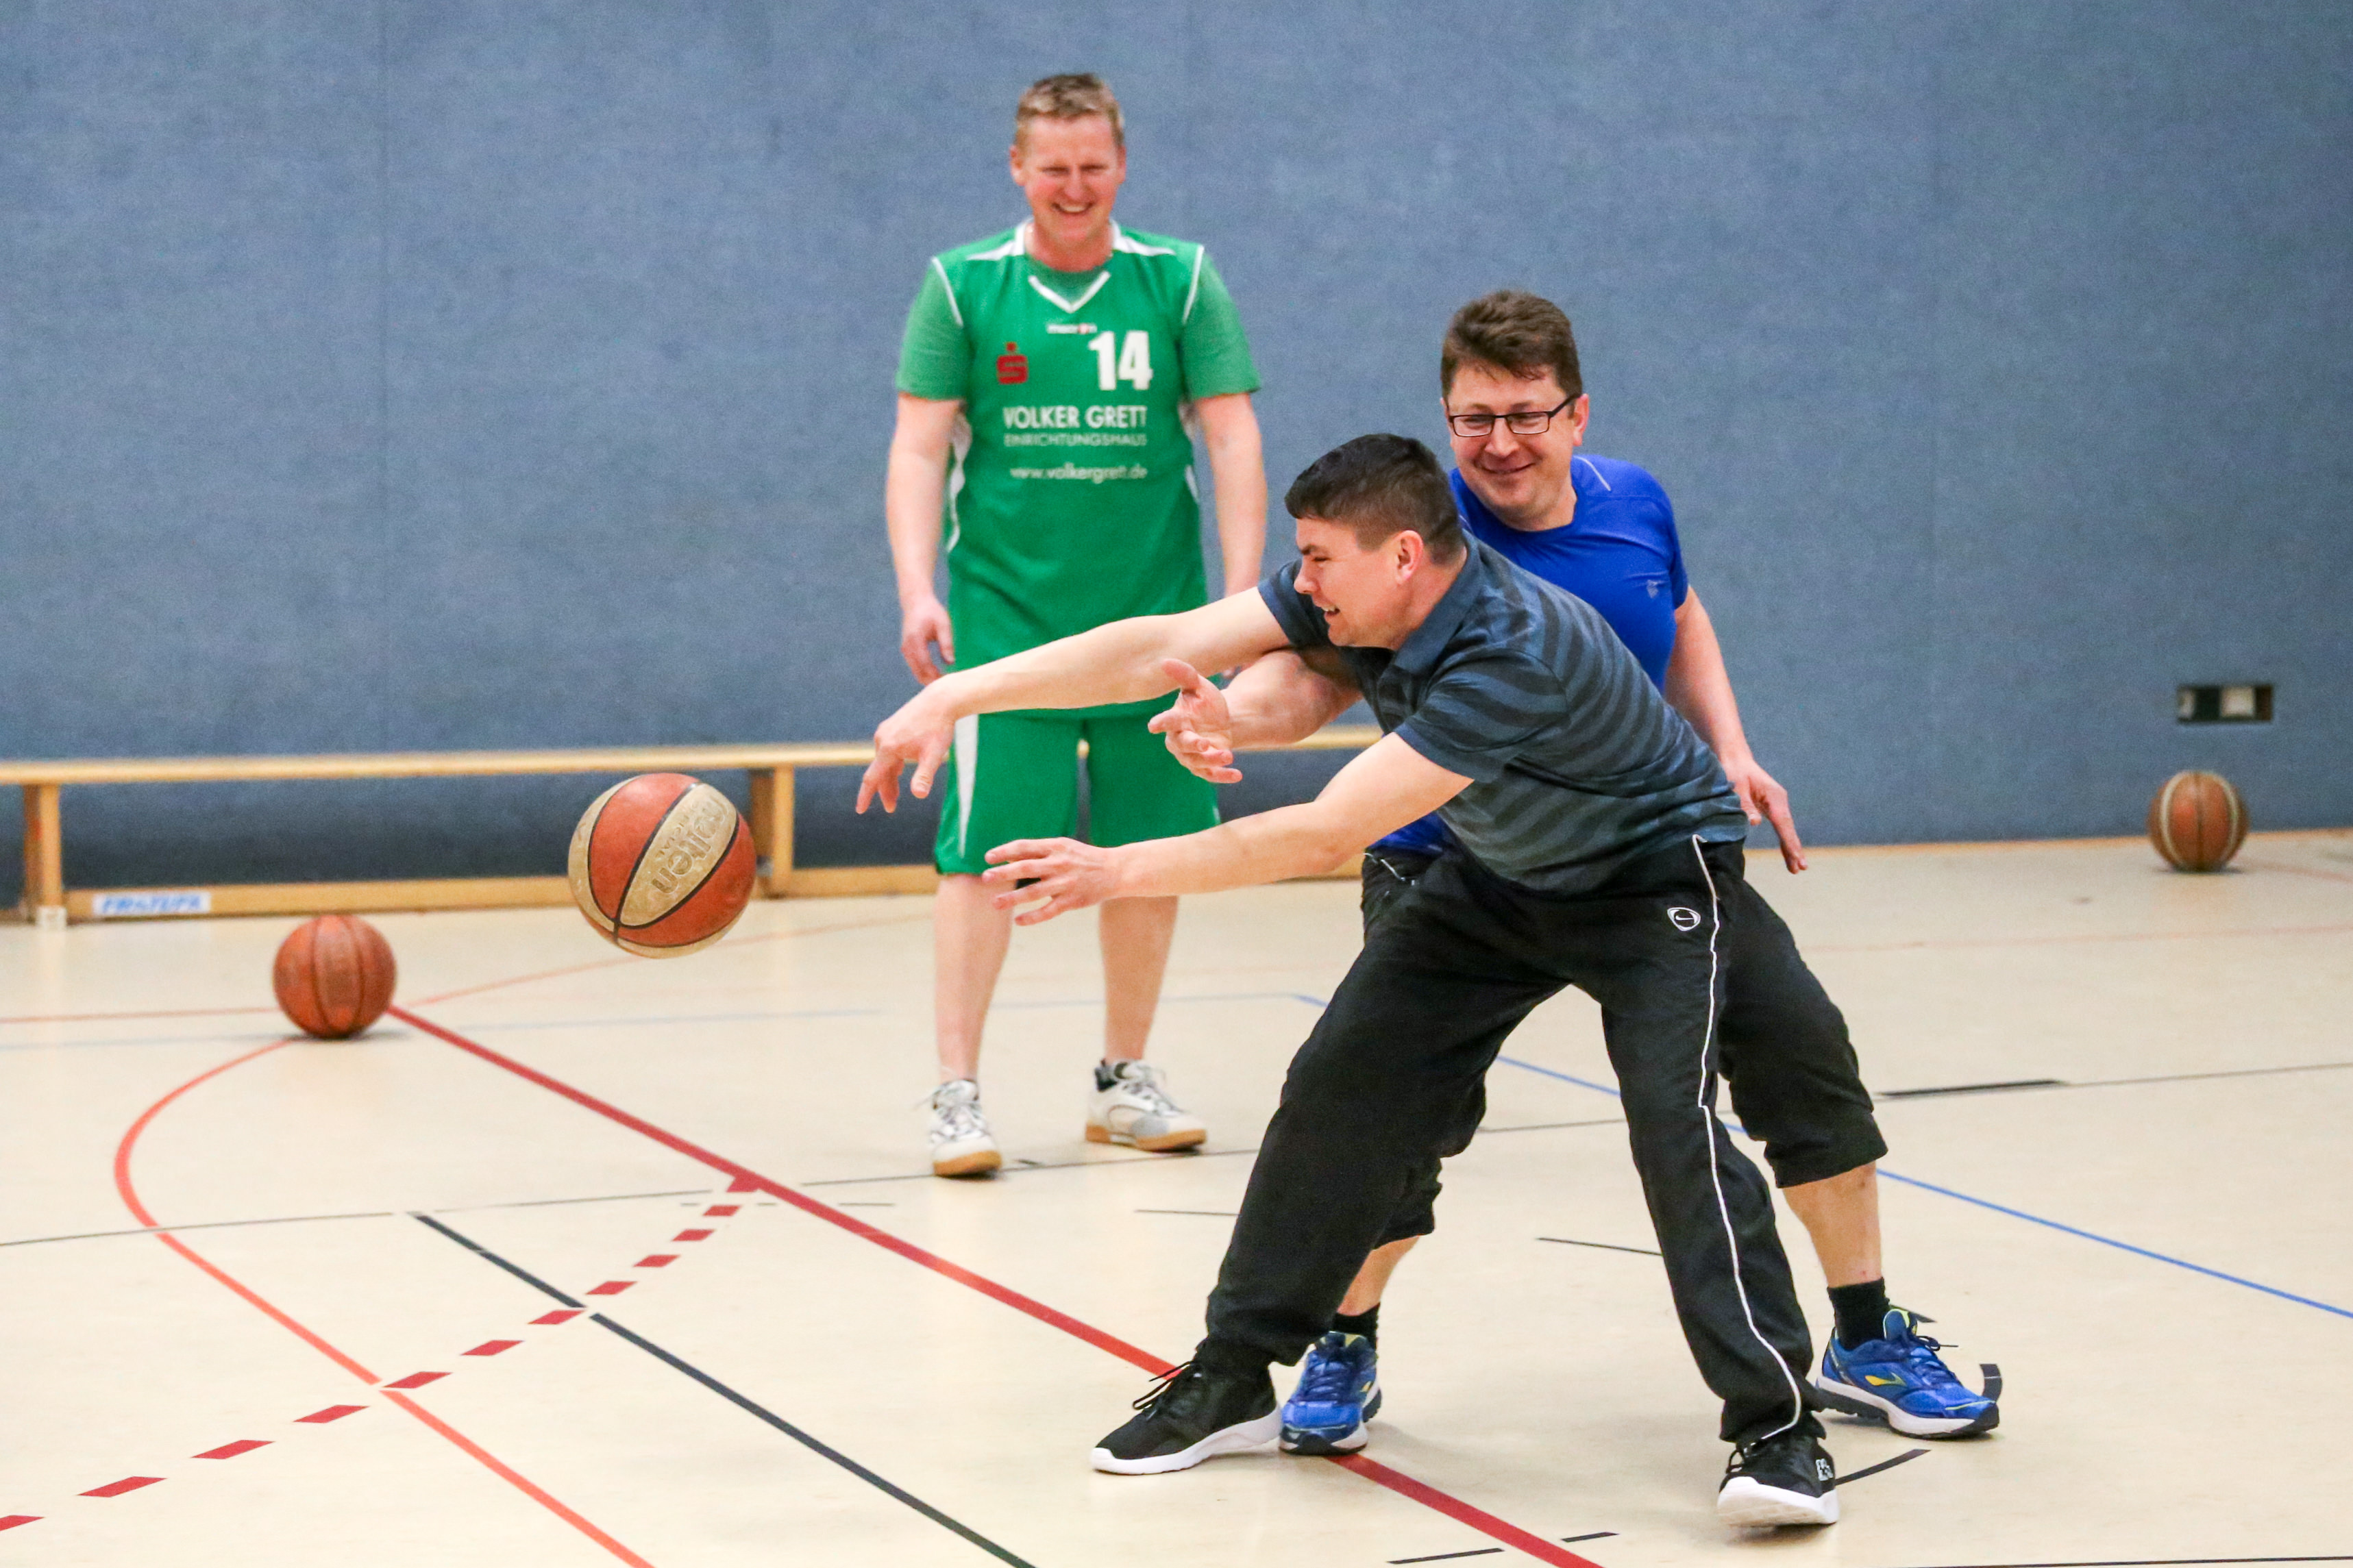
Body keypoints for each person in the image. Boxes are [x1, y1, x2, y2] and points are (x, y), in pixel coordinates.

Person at [863, 434, 1848, 1526]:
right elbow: (1166, 643)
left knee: (1672, 1124)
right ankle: (1234, 1374)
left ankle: (1776, 1425)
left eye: (1323, 559)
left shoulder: (1511, 650)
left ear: (1404, 556)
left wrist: (1114, 869)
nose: (1306, 580)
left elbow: (1325, 832)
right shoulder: (1355, 593)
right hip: (1499, 876)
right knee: (1338, 1085)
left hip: (1649, 878)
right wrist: (961, 693)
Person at [1157, 293, 1998, 1460]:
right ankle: (1345, 1335)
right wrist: (1235, 724)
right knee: (1390, 1110)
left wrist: (1730, 746)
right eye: (1473, 418)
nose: (1499, 442)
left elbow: (1680, 612)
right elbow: (1310, 663)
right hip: (1444, 864)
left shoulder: (1632, 502)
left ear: (1575, 413)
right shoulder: (1408, 536)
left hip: (1635, 858)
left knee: (1800, 1052)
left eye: (1525, 415)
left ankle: (1863, 1331)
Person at [885, 73, 1267, 1176]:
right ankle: (956, 1092)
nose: (1073, 186)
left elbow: (1231, 439)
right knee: (981, 857)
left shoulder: (1178, 279)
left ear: (1122, 165)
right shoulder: (963, 286)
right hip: (1008, 627)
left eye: (1092, 165)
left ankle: (1123, 1079)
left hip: (1158, 628)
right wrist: (917, 586)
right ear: (1018, 168)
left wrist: (1241, 607)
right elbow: (918, 446)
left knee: (1145, 855)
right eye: (1052, 167)